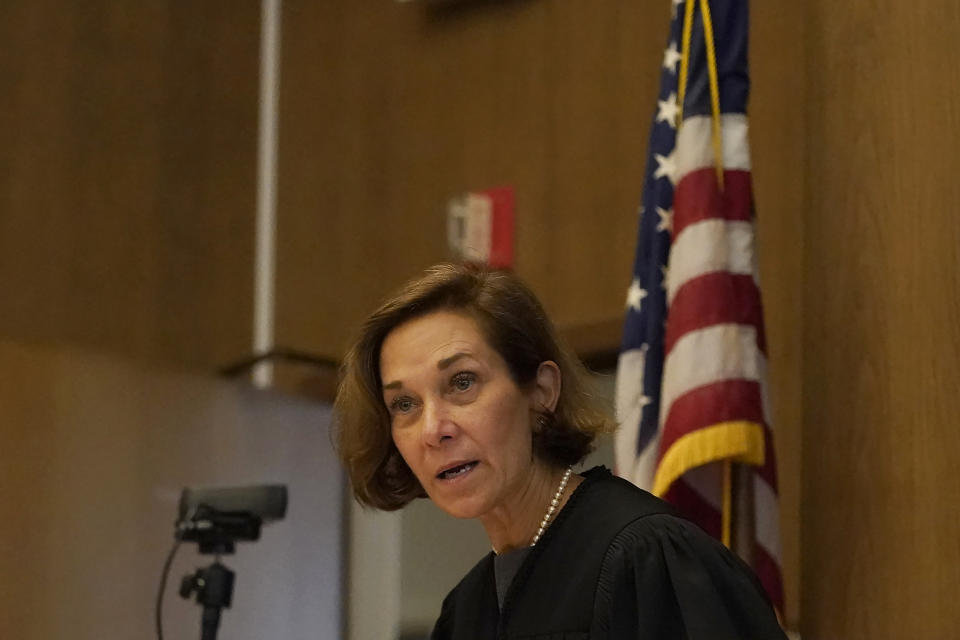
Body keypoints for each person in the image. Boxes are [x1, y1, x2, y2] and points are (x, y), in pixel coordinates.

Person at [334, 262, 786, 640]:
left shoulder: (648, 559)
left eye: (462, 382)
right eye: (405, 404)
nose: (433, 429)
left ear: (541, 392)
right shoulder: (465, 614)